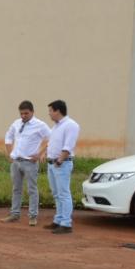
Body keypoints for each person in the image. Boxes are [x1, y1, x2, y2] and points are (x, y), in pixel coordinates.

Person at [1, 100, 51, 227]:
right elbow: (8, 136)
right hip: (16, 161)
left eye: (26, 113)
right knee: (16, 188)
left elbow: (52, 138)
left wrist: (41, 153)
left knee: (32, 189)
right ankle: (14, 214)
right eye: (21, 113)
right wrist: (10, 153)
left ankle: (33, 216)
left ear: (32, 112)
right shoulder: (16, 123)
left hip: (30, 162)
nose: (23, 116)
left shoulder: (40, 125)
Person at [45, 100, 81, 234]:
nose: (49, 114)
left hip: (61, 164)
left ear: (58, 111)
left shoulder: (71, 125)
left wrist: (60, 160)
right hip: (52, 163)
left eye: (50, 111)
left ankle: (66, 223)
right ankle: (58, 220)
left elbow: (68, 145)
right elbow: (52, 143)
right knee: (56, 194)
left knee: (64, 193)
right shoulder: (56, 127)